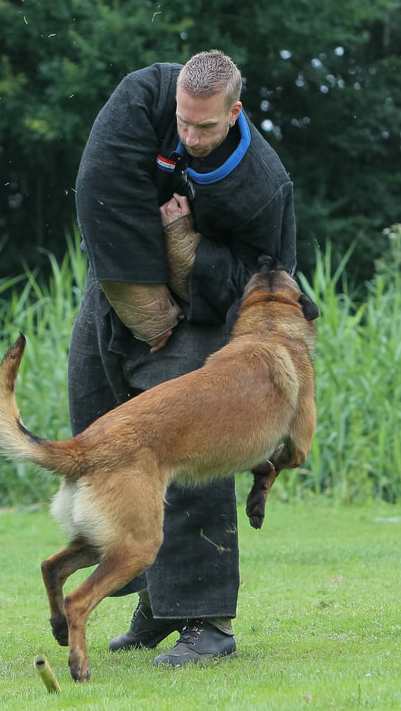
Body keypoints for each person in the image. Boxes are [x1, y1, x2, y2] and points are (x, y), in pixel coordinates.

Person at [69, 49, 297, 667]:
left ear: (236, 112)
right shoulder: (144, 97)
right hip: (117, 286)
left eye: (206, 127)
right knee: (99, 429)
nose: (191, 136)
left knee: (184, 444)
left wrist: (184, 251)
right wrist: (143, 301)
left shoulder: (261, 187)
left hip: (205, 317)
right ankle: (157, 603)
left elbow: (269, 280)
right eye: (184, 123)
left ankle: (209, 622)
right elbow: (102, 190)